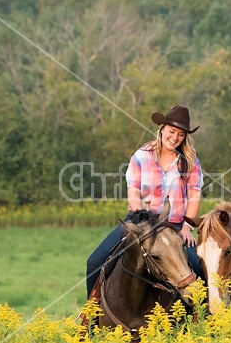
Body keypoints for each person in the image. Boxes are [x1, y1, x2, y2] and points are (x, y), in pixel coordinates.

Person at [86, 105, 204, 299]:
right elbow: (133, 192)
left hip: (173, 226)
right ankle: (89, 317)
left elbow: (194, 195)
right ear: (162, 129)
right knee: (95, 262)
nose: (175, 137)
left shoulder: (190, 161)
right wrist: (144, 222)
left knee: (199, 267)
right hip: (139, 222)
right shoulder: (142, 155)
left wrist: (186, 227)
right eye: (172, 131)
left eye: (181, 134)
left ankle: (204, 317)